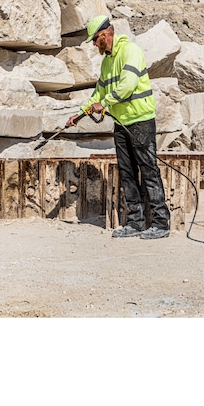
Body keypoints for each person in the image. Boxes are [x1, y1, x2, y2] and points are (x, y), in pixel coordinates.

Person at [66, 15, 171, 239]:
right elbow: (98, 93)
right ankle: (136, 222)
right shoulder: (106, 62)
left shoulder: (130, 51)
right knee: (127, 174)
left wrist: (102, 105)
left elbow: (127, 86)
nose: (94, 45)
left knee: (149, 171)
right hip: (121, 124)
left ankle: (161, 223)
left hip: (141, 121)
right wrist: (80, 114)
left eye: (94, 41)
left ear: (104, 36)